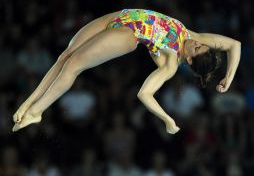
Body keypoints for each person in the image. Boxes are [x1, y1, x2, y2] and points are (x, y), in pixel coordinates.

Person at [12, 9, 241, 134]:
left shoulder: (171, 62)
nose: (197, 42)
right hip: (118, 16)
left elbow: (144, 94)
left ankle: (37, 111)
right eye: (202, 44)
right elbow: (234, 45)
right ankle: (30, 105)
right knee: (65, 56)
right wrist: (228, 78)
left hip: (127, 35)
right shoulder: (194, 37)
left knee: (74, 65)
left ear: (190, 59)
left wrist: (167, 120)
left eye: (198, 48)